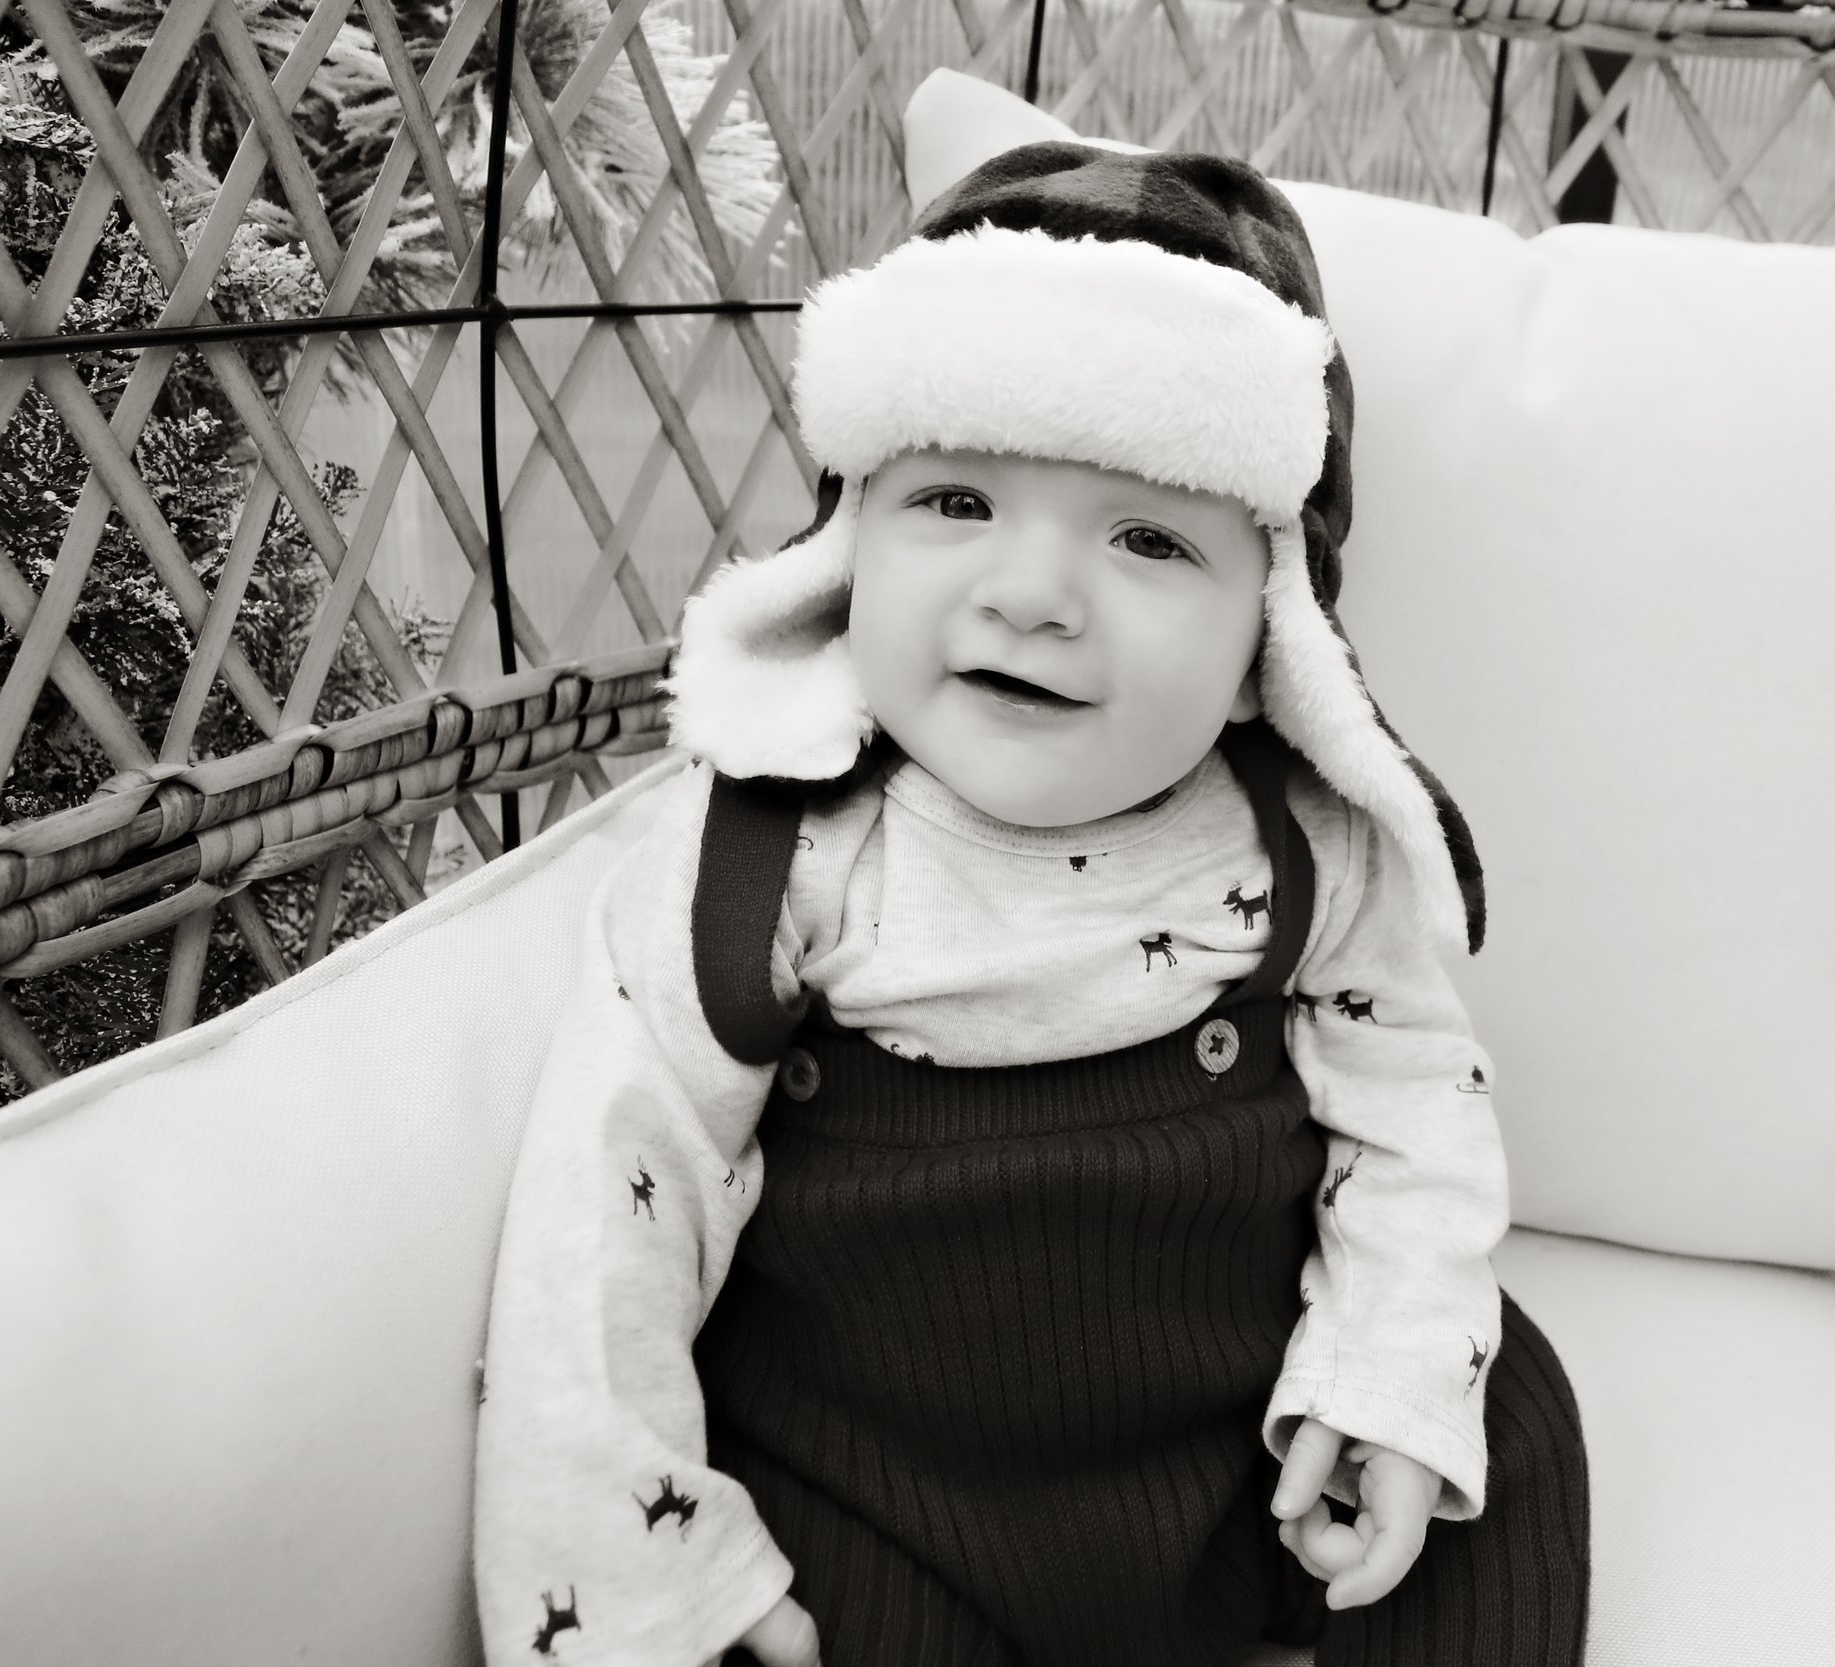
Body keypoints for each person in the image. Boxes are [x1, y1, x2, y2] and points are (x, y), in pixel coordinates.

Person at [473, 141, 1589, 1667]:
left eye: (1147, 537)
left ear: (1275, 621)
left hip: (1245, 1463)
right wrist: (645, 1554)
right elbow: (606, 1211)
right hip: (890, 1505)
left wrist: (1382, 1382)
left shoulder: (1305, 847)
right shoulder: (768, 851)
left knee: (1501, 1415)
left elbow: (1416, 1117)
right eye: (954, 501)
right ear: (848, 538)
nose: (1032, 592)